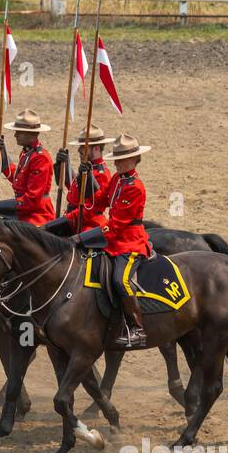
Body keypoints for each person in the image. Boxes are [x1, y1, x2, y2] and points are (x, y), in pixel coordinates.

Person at [88, 134, 153, 350]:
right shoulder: (117, 179)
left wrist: (84, 236)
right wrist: (86, 178)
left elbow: (116, 225)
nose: (117, 163)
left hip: (130, 243)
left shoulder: (135, 186)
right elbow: (100, 200)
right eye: (116, 159)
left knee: (120, 280)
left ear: (134, 160)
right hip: (114, 241)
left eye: (122, 159)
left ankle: (137, 329)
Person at [0, 108, 56, 225]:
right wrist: (0, 153)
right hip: (24, 212)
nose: (15, 135)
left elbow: (32, 200)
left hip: (36, 215)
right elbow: (17, 179)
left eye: (19, 131)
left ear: (33, 133)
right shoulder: (26, 153)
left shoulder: (40, 158)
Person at [41, 126, 116, 236]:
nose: (79, 150)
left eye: (83, 147)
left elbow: (92, 209)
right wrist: (64, 165)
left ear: (97, 148)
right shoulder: (87, 168)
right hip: (74, 222)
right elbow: (73, 190)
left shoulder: (102, 174)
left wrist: (64, 221)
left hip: (87, 225)